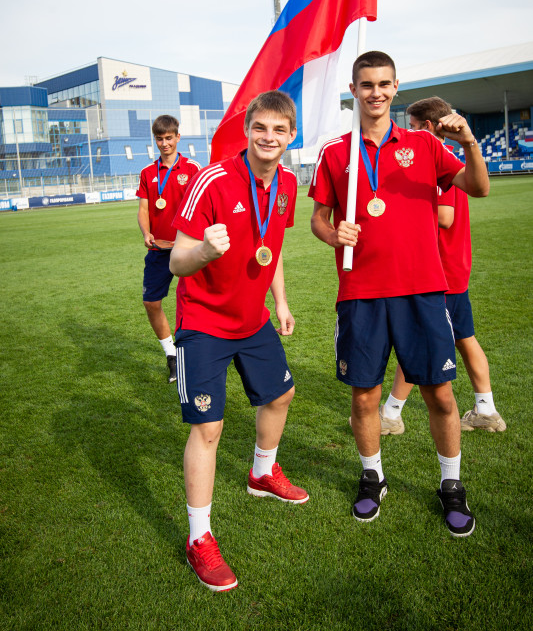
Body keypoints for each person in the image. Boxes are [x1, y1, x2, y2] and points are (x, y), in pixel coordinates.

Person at [309, 51, 489, 539]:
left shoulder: (423, 144)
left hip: (422, 291)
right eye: (367, 85)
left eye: (384, 84)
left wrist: (469, 142)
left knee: (441, 395)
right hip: (361, 293)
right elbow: (317, 219)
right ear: (354, 90)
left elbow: (478, 187)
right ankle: (373, 477)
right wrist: (333, 234)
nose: (376, 93)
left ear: (395, 87)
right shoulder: (335, 152)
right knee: (364, 396)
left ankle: (451, 485)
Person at [169, 91, 308, 592]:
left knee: (281, 395)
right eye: (260, 128)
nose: (269, 137)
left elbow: (273, 247)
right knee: (208, 427)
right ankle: (199, 538)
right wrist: (205, 251)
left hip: (252, 319)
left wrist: (281, 302)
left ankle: (261, 473)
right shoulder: (213, 180)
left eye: (279, 130)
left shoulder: (288, 183)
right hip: (203, 321)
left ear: (291, 136)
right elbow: (177, 261)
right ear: (247, 130)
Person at [381, 97, 506, 435]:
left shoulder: (435, 159)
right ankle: (486, 409)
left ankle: (390, 414)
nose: (407, 131)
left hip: (439, 270)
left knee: (417, 339)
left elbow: (446, 216)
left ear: (427, 126)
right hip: (452, 265)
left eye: (411, 125)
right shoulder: (447, 158)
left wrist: (398, 207)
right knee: (464, 337)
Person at [136, 115, 201, 383]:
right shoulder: (147, 173)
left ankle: (197, 353)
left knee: (194, 303)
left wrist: (192, 240)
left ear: (178, 137)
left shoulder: (193, 168)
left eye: (169, 138)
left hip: (188, 249)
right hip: (159, 250)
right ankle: (171, 355)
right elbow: (143, 209)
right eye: (160, 139)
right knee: (151, 303)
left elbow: (201, 207)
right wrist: (147, 233)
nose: (164, 143)